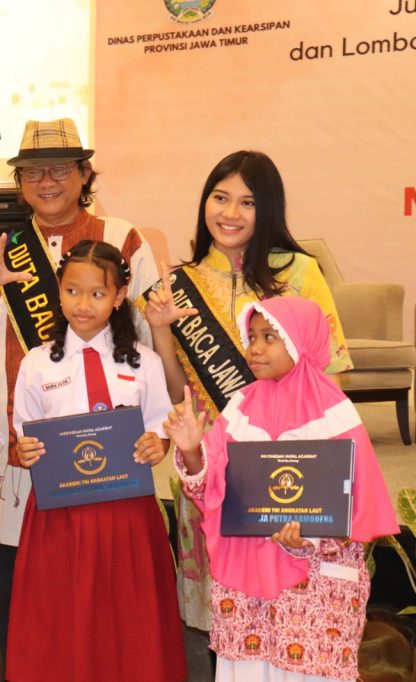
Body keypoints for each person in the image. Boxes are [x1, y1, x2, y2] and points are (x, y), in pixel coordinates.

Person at [0, 117, 159, 677]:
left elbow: (149, 338)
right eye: (33, 172)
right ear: (18, 183)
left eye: (60, 169)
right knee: (20, 604)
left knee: (106, 611)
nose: (46, 181)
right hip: (20, 460)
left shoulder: (122, 238)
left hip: (108, 476)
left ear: (85, 173)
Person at [144, 150, 353, 632]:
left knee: (292, 613)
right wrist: (160, 330)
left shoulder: (299, 273)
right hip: (213, 470)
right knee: (228, 621)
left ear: (268, 208)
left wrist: (320, 465)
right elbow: (180, 395)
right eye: (220, 198)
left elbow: (332, 374)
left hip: (290, 465)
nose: (230, 213)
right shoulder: (181, 284)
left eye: (248, 202)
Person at [164, 296, 398, 681]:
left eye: (269, 337)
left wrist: (311, 537)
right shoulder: (241, 406)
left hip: (313, 590)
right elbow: (210, 486)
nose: (255, 348)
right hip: (247, 587)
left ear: (298, 341)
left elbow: (356, 506)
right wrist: (191, 449)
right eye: (252, 337)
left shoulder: (334, 411)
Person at [7, 240, 187, 682]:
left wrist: (158, 445)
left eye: (97, 293)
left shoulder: (144, 363)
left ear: (120, 295)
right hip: (59, 518)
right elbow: (23, 435)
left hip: (126, 516)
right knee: (61, 624)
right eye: (72, 291)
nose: (82, 304)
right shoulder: (36, 364)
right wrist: (24, 452)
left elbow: (160, 427)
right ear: (58, 291)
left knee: (128, 622)